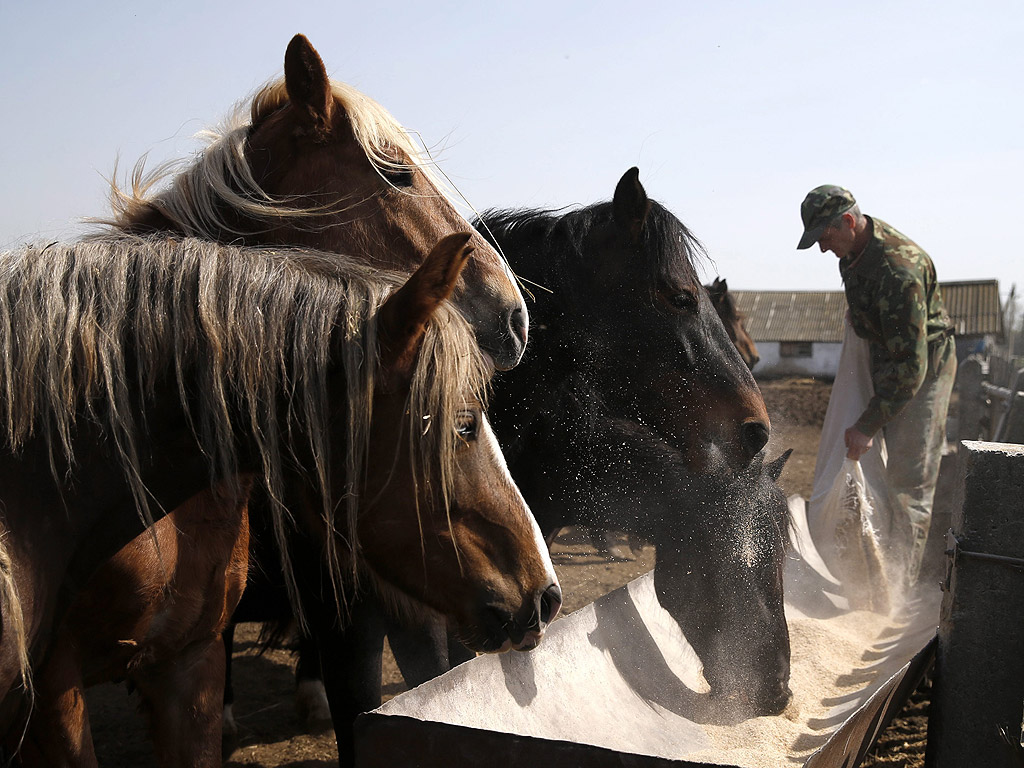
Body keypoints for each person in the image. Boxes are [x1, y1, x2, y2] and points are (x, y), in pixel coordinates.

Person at [797, 184, 956, 585]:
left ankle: (898, 589)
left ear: (849, 222)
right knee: (866, 465)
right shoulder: (851, 253)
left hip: (922, 368)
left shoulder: (899, 272)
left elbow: (911, 368)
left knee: (908, 479)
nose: (821, 249)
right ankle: (870, 571)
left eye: (825, 237)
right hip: (885, 356)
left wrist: (867, 425)